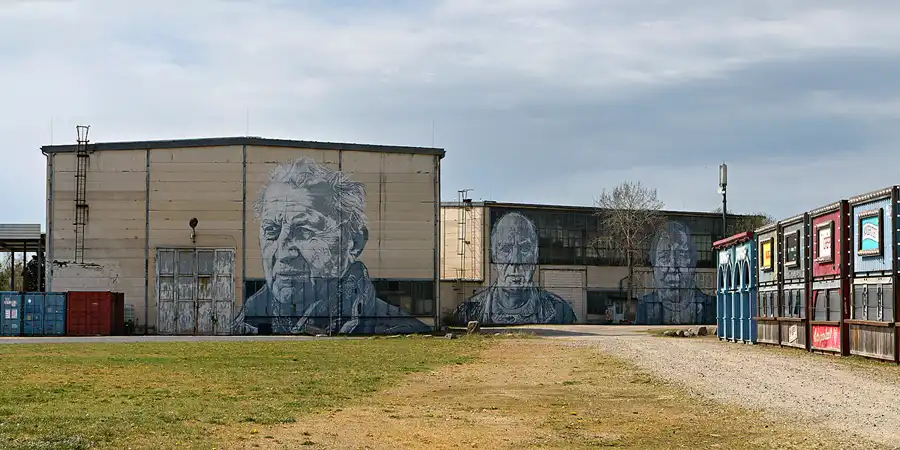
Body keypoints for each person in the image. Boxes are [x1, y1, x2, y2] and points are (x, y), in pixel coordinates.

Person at [230, 157, 430, 335]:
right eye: (272, 231)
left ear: (354, 242)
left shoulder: (401, 330)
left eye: (304, 231)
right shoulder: (246, 323)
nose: (283, 252)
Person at [454, 212, 576, 325]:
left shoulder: (561, 311)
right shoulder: (468, 311)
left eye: (524, 249)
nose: (515, 261)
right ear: (494, 256)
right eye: (506, 249)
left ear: (535, 255)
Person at [636, 220, 716, 325]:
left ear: (693, 265)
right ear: (654, 268)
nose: (673, 267)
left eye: (682, 255)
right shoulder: (644, 306)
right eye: (664, 257)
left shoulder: (711, 304)